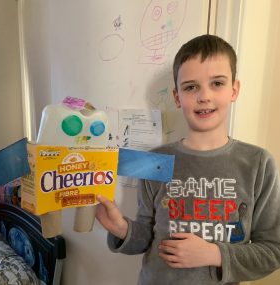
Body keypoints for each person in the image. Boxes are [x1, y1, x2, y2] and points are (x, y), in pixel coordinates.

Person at [95, 34, 280, 285]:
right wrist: (120, 228)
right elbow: (146, 238)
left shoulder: (259, 164)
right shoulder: (154, 160)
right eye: (191, 87)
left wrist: (215, 254)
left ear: (234, 90)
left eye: (217, 83)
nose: (204, 96)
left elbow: (272, 251)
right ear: (177, 96)